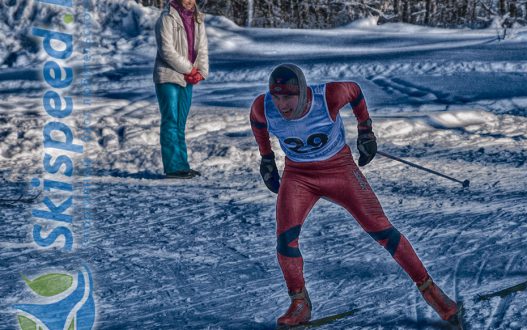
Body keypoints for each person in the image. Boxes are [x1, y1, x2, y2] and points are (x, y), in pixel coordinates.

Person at [250, 64, 459, 327]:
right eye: (277, 97)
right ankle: (299, 302)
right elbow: (258, 125)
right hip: (298, 175)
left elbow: (356, 92)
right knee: (285, 241)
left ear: (302, 92)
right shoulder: (263, 106)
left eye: (288, 97)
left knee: (381, 229)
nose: (281, 104)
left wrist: (365, 130)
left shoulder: (328, 96)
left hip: (339, 170)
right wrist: (266, 159)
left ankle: (432, 292)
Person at [153, 0, 209, 178]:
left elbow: (202, 49)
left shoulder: (198, 19)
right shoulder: (166, 19)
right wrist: (190, 69)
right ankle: (173, 167)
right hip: (168, 76)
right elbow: (166, 50)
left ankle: (182, 165)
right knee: (171, 120)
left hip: (188, 78)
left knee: (180, 123)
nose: (189, 1)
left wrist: (201, 72)